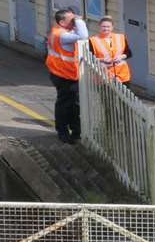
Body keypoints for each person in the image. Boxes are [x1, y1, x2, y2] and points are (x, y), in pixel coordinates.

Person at [44, 9, 87, 145]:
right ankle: (63, 132)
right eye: (71, 19)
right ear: (62, 22)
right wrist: (79, 21)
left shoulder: (56, 31)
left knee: (72, 104)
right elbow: (83, 36)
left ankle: (74, 131)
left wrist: (74, 23)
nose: (73, 20)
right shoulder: (62, 35)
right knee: (65, 105)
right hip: (64, 74)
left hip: (61, 72)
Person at [87, 16, 131, 84]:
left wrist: (121, 57)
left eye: (108, 26)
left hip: (122, 74)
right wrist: (102, 60)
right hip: (104, 76)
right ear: (99, 27)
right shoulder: (93, 40)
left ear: (112, 27)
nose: (106, 28)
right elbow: (90, 58)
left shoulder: (120, 37)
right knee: (107, 94)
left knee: (125, 94)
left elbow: (129, 53)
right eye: (103, 26)